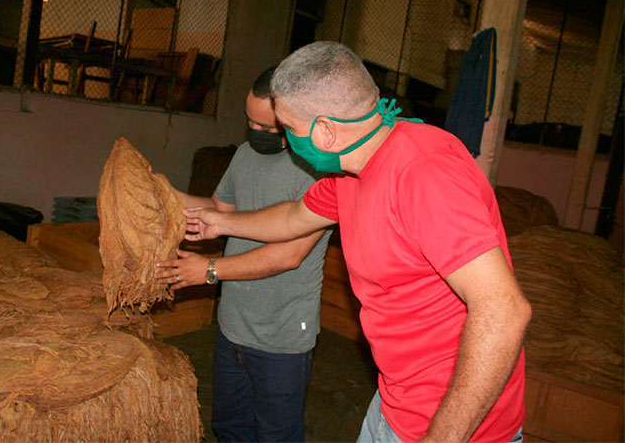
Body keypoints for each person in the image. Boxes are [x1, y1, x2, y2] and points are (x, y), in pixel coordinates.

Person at [183, 42, 531, 443]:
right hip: (394, 401)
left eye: (290, 130)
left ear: (325, 131)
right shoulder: (350, 171)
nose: (287, 142)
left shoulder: (424, 173)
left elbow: (504, 311)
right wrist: (221, 222)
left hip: (455, 426)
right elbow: (295, 217)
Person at [155, 67, 331, 442]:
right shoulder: (244, 155)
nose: (257, 134)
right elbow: (218, 209)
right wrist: (163, 192)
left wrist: (210, 270)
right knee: (230, 430)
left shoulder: (321, 174)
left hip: (281, 337)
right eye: (251, 123)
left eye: (268, 128)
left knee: (275, 435)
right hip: (233, 326)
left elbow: (288, 255)